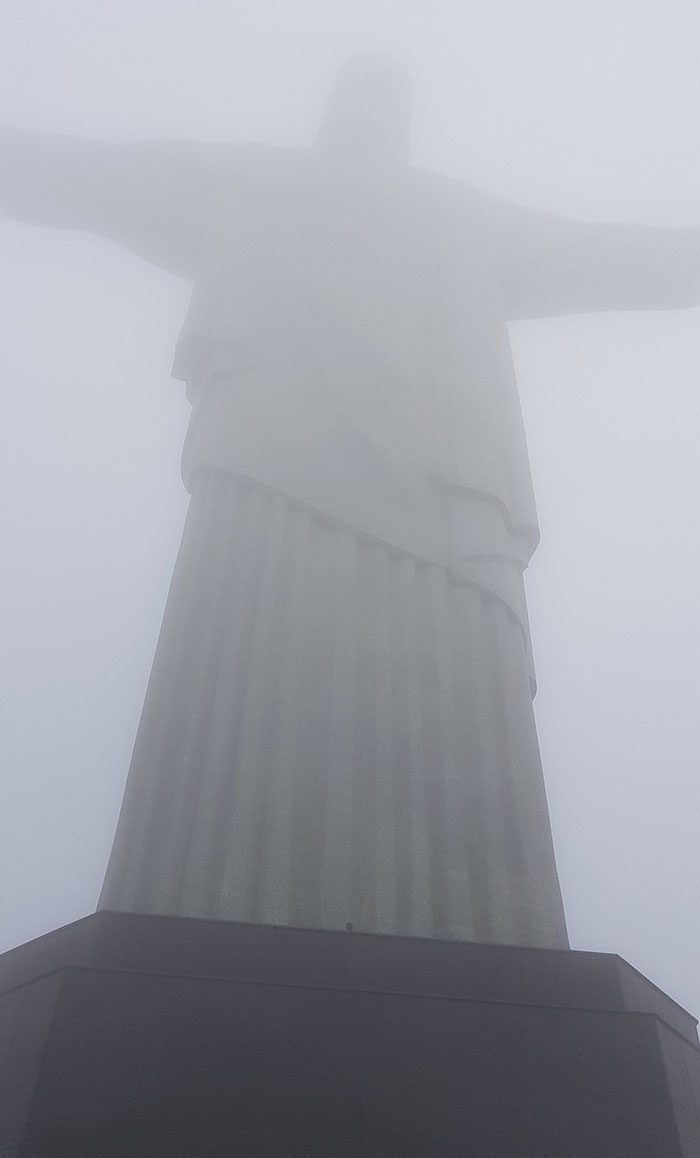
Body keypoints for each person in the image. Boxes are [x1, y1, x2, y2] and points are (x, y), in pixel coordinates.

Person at [3, 53, 698, 947]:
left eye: (387, 98)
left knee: (442, 701)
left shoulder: (450, 213)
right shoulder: (256, 179)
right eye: (361, 94)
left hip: (433, 501)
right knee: (243, 677)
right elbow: (92, 174)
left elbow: (608, 255)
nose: (374, 109)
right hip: (270, 477)